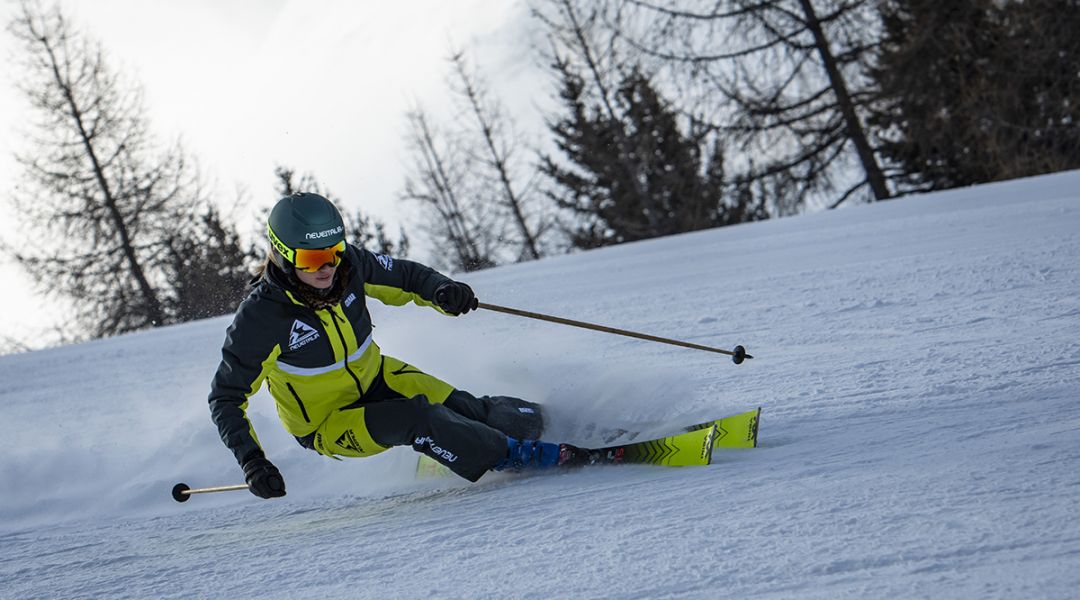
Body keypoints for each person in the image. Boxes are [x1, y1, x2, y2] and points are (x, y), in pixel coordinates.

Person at [208, 192, 563, 499]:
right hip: (328, 423)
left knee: (467, 408)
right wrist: (252, 461)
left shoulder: (349, 267)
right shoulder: (261, 318)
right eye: (313, 258)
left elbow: (407, 277)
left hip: (379, 377)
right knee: (420, 418)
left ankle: (552, 423)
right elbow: (226, 397)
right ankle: (522, 456)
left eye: (334, 251)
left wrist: (441, 290)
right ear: (284, 255)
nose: (327, 266)